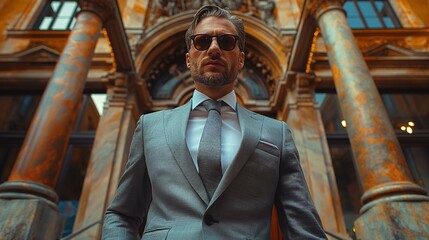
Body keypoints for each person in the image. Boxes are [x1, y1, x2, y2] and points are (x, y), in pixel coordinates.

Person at [102, 5, 326, 240]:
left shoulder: (276, 133)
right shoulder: (150, 127)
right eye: (202, 41)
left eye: (227, 41)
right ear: (189, 60)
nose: (214, 48)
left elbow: (303, 227)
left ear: (240, 59)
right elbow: (122, 214)